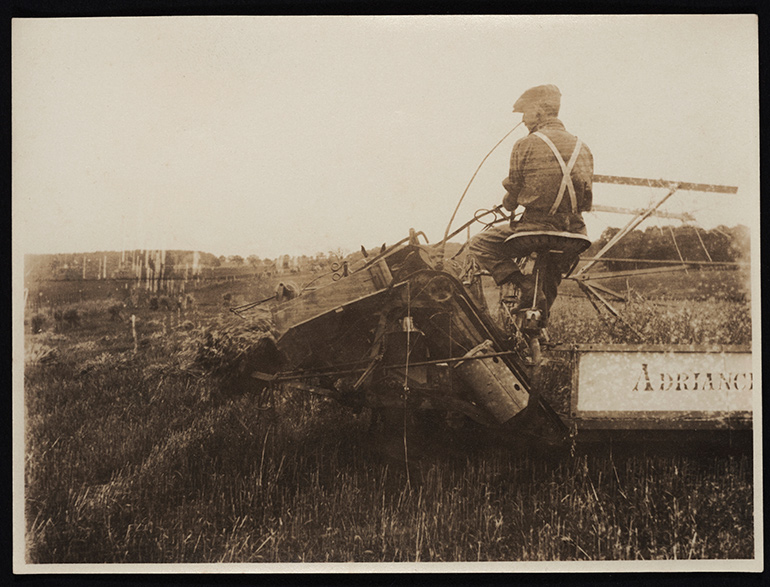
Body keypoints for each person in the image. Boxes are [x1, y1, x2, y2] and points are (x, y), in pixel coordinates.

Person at [469, 84, 593, 325]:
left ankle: (522, 283)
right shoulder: (583, 147)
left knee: (479, 243)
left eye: (526, 113)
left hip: (536, 230)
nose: (524, 120)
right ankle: (536, 328)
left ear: (539, 111)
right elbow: (586, 199)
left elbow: (513, 195)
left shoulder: (525, 144)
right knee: (550, 275)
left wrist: (509, 202)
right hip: (575, 234)